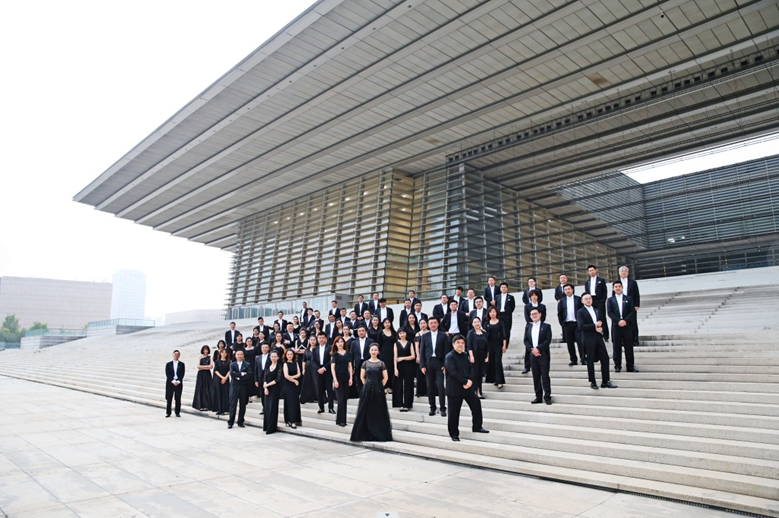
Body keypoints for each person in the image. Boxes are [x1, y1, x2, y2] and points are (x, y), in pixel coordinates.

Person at [445, 334, 489, 442]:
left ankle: (477, 426)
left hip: (467, 388)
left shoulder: (465, 356)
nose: (460, 345)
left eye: (462, 343)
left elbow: (471, 369)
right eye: (458, 343)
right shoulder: (449, 357)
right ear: (453, 344)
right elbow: (453, 372)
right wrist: (464, 381)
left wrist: (469, 381)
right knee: (454, 413)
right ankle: (454, 434)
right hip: (454, 389)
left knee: (476, 403)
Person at [350, 345, 392, 442]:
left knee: (378, 411)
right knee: (365, 411)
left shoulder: (381, 363)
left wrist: (379, 386)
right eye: (372, 350)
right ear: (369, 351)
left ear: (378, 352)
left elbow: (386, 377)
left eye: (375, 350)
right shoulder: (365, 363)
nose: (373, 351)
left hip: (378, 390)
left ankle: (379, 433)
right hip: (367, 390)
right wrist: (367, 385)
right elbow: (362, 376)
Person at [577, 294, 617, 390]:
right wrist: (594, 326)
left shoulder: (597, 310)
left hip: (598, 337)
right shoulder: (580, 312)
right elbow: (581, 326)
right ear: (582, 301)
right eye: (586, 299)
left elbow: (602, 323)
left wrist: (601, 329)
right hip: (588, 338)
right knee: (590, 360)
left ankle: (605, 381)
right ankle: (593, 381)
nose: (588, 300)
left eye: (590, 298)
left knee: (605, 358)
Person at [419, 317, 450, 417]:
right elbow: (422, 351)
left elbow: (446, 351)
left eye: (435, 323)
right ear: (428, 325)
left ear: (438, 324)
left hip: (439, 363)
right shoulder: (425, 336)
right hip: (428, 363)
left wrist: (445, 365)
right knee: (430, 387)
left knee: (440, 386)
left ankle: (442, 408)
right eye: (431, 323)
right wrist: (422, 365)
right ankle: (432, 407)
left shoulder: (443, 335)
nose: (433, 324)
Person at [607, 280, 638, 373]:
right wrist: (618, 321)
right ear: (613, 288)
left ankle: (630, 366)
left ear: (622, 287)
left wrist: (625, 320)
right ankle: (617, 366)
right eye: (616, 287)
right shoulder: (610, 300)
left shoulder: (628, 298)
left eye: (619, 286)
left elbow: (632, 311)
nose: (618, 288)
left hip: (627, 326)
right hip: (616, 326)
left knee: (629, 347)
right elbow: (610, 313)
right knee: (616, 347)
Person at [525, 308, 553, 405]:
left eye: (535, 313)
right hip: (533, 354)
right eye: (532, 314)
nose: (534, 316)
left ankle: (547, 396)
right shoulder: (528, 327)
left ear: (540, 314)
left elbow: (548, 340)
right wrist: (532, 349)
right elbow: (526, 340)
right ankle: (538, 396)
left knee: (545, 376)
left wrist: (538, 348)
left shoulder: (546, 326)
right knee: (535, 376)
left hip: (543, 354)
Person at [557, 283, 584, 366]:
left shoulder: (578, 299)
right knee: (570, 343)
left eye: (569, 289)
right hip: (567, 325)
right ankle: (573, 359)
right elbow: (559, 313)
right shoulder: (561, 301)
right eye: (565, 289)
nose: (567, 291)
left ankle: (583, 359)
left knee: (580, 342)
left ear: (572, 290)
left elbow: (582, 311)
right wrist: (562, 324)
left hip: (577, 324)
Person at [330, 336, 353, 427]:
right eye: (338, 342)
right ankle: (340, 420)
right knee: (340, 399)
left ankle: (343, 420)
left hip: (346, 378)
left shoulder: (348, 353)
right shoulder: (334, 355)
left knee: (345, 399)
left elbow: (350, 366)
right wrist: (335, 380)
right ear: (335, 344)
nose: (340, 343)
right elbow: (332, 368)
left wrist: (351, 378)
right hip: (338, 379)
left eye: (341, 342)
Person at [522, 290, 546, 374]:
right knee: (528, 347)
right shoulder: (527, 306)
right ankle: (527, 366)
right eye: (532, 295)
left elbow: (543, 317)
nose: (534, 297)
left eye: (535, 295)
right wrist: (532, 322)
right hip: (530, 326)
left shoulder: (542, 306)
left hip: (540, 327)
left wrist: (538, 322)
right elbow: (527, 317)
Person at [227, 350, 252, 429]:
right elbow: (232, 374)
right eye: (238, 354)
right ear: (235, 355)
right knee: (233, 404)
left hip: (243, 386)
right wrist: (241, 374)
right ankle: (230, 422)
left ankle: (240, 421)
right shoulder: (232, 364)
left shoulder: (247, 364)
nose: (240, 356)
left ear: (243, 355)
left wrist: (238, 377)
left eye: (241, 354)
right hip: (234, 386)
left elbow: (249, 375)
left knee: (242, 405)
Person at [618, 266, 641, 348]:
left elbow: (636, 294)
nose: (623, 272)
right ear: (619, 273)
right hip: (620, 305)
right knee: (621, 322)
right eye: (622, 271)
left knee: (633, 323)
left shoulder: (633, 282)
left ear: (628, 273)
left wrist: (637, 304)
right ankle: (622, 340)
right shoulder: (617, 283)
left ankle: (635, 340)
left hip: (631, 305)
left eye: (625, 271)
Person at [484, 306, 507, 389]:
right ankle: (494, 379)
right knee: (492, 361)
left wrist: (504, 345)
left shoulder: (500, 322)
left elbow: (504, 335)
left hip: (498, 344)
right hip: (489, 344)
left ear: (496, 313)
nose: (492, 313)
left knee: (497, 361)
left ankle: (500, 381)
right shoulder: (486, 323)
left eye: (494, 312)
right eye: (491, 312)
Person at [585, 265, 609, 341]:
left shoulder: (601, 280)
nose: (591, 272)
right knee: (592, 317)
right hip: (591, 300)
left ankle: (605, 335)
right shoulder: (587, 282)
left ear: (596, 270)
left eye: (592, 270)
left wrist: (603, 300)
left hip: (599, 300)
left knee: (602, 317)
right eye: (590, 271)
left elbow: (604, 291)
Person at [393, 328, 415, 411]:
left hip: (408, 365)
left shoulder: (410, 343)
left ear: (406, 334)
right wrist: (395, 369)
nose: (402, 334)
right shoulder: (396, 344)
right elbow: (395, 357)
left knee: (408, 384)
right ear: (398, 335)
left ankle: (407, 404)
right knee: (398, 385)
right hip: (399, 366)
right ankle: (399, 404)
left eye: (403, 333)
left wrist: (403, 358)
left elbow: (413, 356)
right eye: (400, 333)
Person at [466, 317, 489, 399]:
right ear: (472, 324)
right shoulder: (471, 333)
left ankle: (479, 392)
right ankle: (474, 391)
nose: (477, 323)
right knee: (475, 374)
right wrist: (471, 356)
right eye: (475, 322)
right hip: (474, 356)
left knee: (480, 374)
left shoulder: (484, 333)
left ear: (480, 322)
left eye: (478, 322)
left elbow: (487, 346)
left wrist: (487, 356)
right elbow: (469, 346)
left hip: (482, 356)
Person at [313, 332, 335, 414]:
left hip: (327, 370)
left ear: (326, 339)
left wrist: (324, 368)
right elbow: (313, 361)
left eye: (323, 338)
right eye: (320, 338)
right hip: (318, 371)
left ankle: (331, 408)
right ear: (317, 339)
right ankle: (321, 407)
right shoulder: (315, 349)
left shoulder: (330, 348)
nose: (321, 339)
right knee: (319, 390)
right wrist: (318, 369)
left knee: (329, 390)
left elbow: (331, 360)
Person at [262, 351, 283, 434]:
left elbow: (278, 379)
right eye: (272, 356)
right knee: (267, 407)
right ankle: (266, 426)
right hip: (267, 389)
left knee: (273, 407)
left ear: (278, 357)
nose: (273, 358)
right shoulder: (268, 366)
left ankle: (272, 428)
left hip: (275, 389)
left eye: (275, 356)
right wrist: (265, 387)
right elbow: (265, 377)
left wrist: (267, 385)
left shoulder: (279, 366)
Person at [351, 325, 374, 396]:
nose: (361, 332)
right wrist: (351, 367)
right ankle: (361, 395)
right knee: (358, 379)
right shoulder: (353, 343)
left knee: (369, 379)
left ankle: (368, 394)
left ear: (366, 332)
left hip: (368, 363)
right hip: (358, 363)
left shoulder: (371, 341)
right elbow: (351, 356)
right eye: (359, 331)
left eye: (362, 331)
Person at [282, 349, 302, 428]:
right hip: (288, 385)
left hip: (295, 385)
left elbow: (299, 374)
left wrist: (293, 378)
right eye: (288, 354)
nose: (289, 356)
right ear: (286, 355)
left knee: (295, 402)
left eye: (291, 354)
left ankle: (296, 420)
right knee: (290, 403)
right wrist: (294, 380)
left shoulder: (296, 363)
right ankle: (291, 421)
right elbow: (286, 376)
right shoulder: (285, 364)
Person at [378, 318, 396, 393]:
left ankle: (390, 386)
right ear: (383, 324)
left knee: (391, 370)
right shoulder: (381, 333)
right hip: (383, 354)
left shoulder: (394, 332)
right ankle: (384, 387)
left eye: (388, 322)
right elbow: (378, 344)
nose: (387, 324)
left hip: (392, 354)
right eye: (385, 322)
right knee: (384, 370)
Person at [192, 345, 213, 411]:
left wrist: (203, 367)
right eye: (204, 350)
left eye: (206, 350)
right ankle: (200, 405)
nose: (205, 351)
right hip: (201, 374)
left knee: (208, 389)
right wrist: (206, 367)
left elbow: (211, 366)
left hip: (207, 374)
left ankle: (207, 405)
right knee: (200, 388)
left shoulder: (210, 357)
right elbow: (198, 366)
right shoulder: (200, 357)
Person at [165, 350, 185, 418]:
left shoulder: (182, 364)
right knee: (169, 398)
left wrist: (178, 381)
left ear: (179, 355)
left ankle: (177, 412)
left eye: (178, 354)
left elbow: (182, 374)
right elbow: (167, 374)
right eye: (175, 354)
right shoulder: (168, 364)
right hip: (170, 383)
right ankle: (168, 412)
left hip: (178, 383)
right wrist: (173, 381)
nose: (176, 355)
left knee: (178, 398)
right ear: (173, 355)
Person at [300, 335, 319, 404]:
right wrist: (303, 369)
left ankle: (317, 397)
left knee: (316, 382)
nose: (312, 341)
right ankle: (307, 397)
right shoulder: (306, 350)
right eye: (311, 340)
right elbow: (304, 360)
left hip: (315, 367)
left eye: (314, 340)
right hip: (307, 368)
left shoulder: (318, 349)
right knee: (308, 382)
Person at [212, 348, 230, 416]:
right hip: (218, 379)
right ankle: (219, 409)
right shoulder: (217, 361)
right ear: (220, 353)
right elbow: (216, 370)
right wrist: (222, 377)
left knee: (225, 393)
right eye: (222, 353)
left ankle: (225, 409)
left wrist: (225, 378)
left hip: (226, 379)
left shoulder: (228, 361)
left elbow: (229, 370)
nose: (224, 354)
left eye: (225, 353)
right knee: (219, 393)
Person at [254, 343, 271, 414]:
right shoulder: (258, 358)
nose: (264, 349)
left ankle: (269, 408)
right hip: (260, 378)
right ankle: (264, 408)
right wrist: (256, 380)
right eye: (263, 347)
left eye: (266, 347)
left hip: (269, 377)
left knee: (269, 393)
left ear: (268, 348)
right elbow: (256, 369)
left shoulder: (271, 356)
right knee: (262, 394)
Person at [414, 319, 429, 398]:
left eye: (424, 323)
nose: (423, 325)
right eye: (421, 323)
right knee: (420, 373)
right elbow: (417, 347)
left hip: (428, 355)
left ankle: (428, 391)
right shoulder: (418, 334)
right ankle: (420, 391)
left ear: (427, 324)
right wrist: (418, 356)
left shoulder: (430, 332)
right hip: (421, 355)